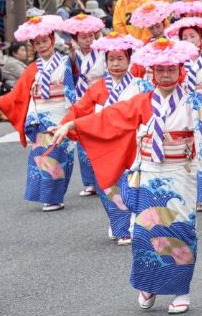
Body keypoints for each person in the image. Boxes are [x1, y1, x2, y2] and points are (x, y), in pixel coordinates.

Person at [51, 37, 202, 314]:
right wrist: (72, 124)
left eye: (171, 69)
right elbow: (108, 118)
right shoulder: (142, 102)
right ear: (152, 73)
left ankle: (181, 290)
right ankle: (148, 283)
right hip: (149, 173)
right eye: (160, 70)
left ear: (181, 70)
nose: (166, 75)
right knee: (146, 230)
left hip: (180, 173)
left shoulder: (194, 102)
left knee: (181, 230)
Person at [59, 32, 150, 244]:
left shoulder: (141, 85)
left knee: (133, 183)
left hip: (132, 142)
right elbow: (80, 110)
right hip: (105, 144)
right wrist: (63, 126)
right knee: (109, 186)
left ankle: (130, 225)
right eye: (111, 59)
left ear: (129, 59)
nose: (116, 63)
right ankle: (121, 224)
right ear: (105, 61)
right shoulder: (98, 87)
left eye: (121, 58)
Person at [0, 15, 75, 212]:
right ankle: (51, 197)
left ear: (53, 40)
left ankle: (55, 195)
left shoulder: (66, 62)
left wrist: (73, 116)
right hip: (40, 118)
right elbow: (16, 95)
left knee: (62, 156)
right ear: (33, 45)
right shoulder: (32, 69)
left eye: (45, 41)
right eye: (37, 43)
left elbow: (74, 88)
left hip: (61, 114)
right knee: (44, 156)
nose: (42, 46)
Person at [164, 15, 202, 212]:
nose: (190, 41)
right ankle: (188, 193)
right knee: (186, 151)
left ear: (201, 38)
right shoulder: (176, 63)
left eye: (193, 36)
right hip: (185, 109)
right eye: (185, 37)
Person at [61, 13, 106, 196]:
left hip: (101, 96)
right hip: (82, 98)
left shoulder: (103, 53)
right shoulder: (73, 56)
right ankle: (89, 181)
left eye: (90, 36)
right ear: (75, 39)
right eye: (83, 37)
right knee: (83, 139)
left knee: (102, 138)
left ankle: (103, 178)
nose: (88, 40)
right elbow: (68, 79)